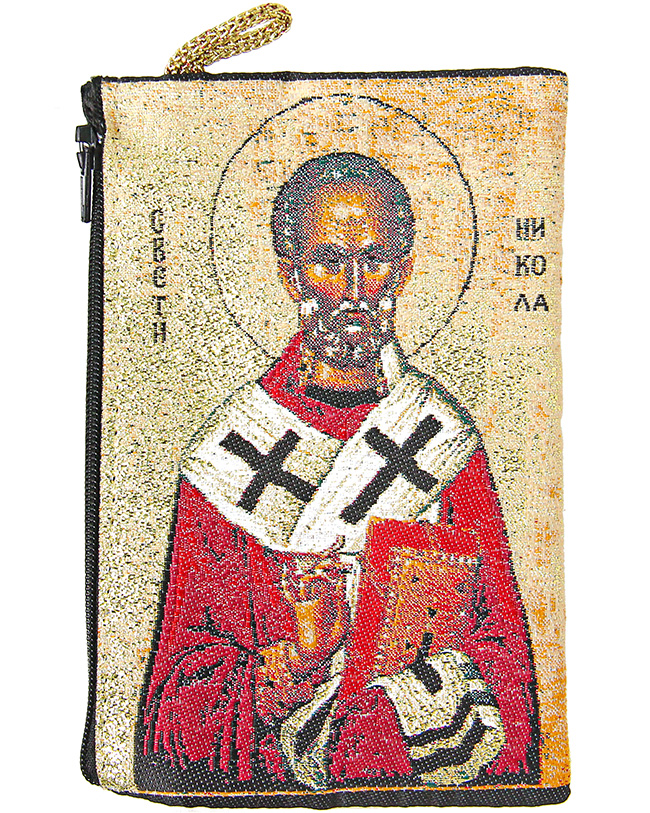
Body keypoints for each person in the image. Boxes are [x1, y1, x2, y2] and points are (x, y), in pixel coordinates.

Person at [134, 152, 540, 794]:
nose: (353, 290)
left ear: (403, 269)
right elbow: (172, 715)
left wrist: (396, 708)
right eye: (328, 260)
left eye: (374, 261)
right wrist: (282, 673)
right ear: (290, 272)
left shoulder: (440, 441)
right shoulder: (229, 455)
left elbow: (504, 659)